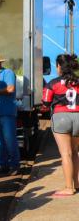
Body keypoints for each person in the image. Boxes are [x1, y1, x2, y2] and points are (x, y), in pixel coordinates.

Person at [43, 54, 79, 197]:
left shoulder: (53, 83)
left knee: (66, 154)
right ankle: (76, 183)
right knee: (75, 152)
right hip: (78, 116)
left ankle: (69, 188)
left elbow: (45, 103)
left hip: (61, 118)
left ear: (59, 67)